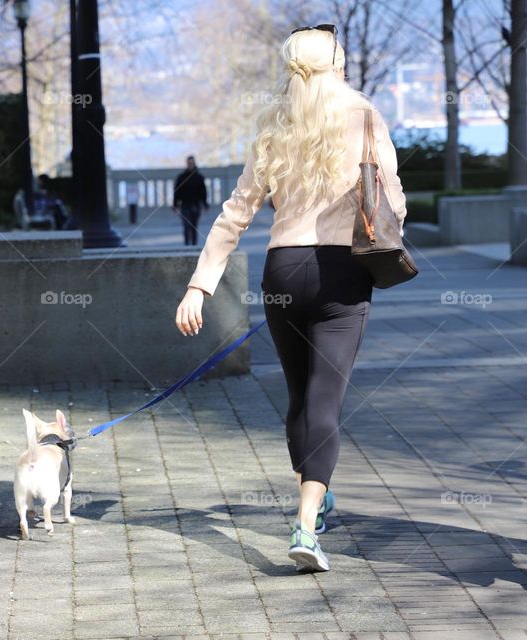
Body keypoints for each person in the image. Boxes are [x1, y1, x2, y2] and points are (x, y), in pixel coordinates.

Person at [174, 25, 407, 572]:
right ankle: (306, 523)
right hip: (341, 272)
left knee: (300, 396)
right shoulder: (365, 115)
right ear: (337, 66)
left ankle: (314, 494)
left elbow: (237, 211)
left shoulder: (275, 123)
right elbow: (392, 196)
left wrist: (198, 285)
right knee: (325, 401)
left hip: (282, 272)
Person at [172, 156, 209, 245]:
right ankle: (187, 245)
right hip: (185, 205)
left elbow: (203, 192)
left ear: (194, 164)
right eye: (189, 163)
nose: (190, 165)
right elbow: (177, 192)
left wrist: (205, 204)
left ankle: (194, 245)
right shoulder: (181, 177)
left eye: (191, 163)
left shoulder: (199, 177)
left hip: (196, 205)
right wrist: (175, 205)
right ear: (187, 164)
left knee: (194, 226)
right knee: (186, 226)